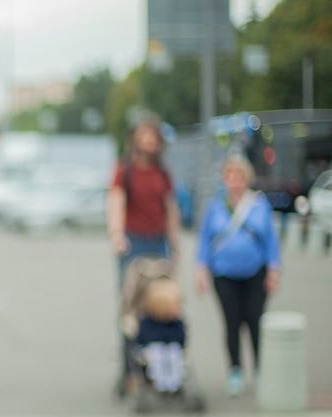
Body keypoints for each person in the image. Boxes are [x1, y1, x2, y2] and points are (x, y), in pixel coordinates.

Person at [107, 114, 182, 395]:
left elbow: (170, 209)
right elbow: (116, 202)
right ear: (136, 138)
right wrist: (117, 235)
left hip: (158, 242)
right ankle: (128, 370)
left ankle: (162, 364)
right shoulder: (124, 170)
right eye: (144, 135)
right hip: (133, 243)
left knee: (162, 304)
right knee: (130, 308)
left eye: (153, 136)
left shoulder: (163, 173)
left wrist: (174, 244)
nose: (149, 141)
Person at [196, 154, 282, 396]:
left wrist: (274, 270)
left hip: (255, 272)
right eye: (229, 176)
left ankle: (261, 370)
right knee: (232, 323)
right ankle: (235, 370)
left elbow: (270, 241)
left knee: (255, 321)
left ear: (247, 179)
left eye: (239, 176)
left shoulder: (258, 205)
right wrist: (201, 269)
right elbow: (205, 241)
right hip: (223, 273)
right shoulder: (215, 207)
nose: (234, 181)